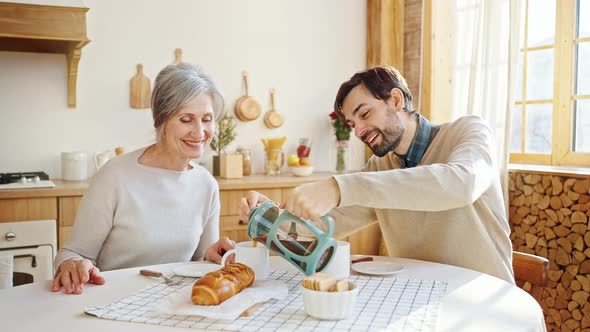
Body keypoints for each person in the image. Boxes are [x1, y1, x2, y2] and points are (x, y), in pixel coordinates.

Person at [240, 65, 514, 283]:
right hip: (419, 298)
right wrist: (269, 216)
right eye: (351, 123)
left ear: (395, 99)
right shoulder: (380, 169)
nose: (358, 131)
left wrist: (338, 188)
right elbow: (323, 224)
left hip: (483, 299)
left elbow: (462, 183)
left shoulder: (469, 132)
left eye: (365, 113)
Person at [52, 63, 236, 295]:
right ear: (162, 121)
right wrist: (71, 265)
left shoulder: (206, 184)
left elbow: (199, 261)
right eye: (186, 119)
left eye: (207, 119)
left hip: (172, 305)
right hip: (109, 301)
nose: (200, 132)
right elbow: (71, 254)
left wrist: (212, 255)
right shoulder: (115, 176)